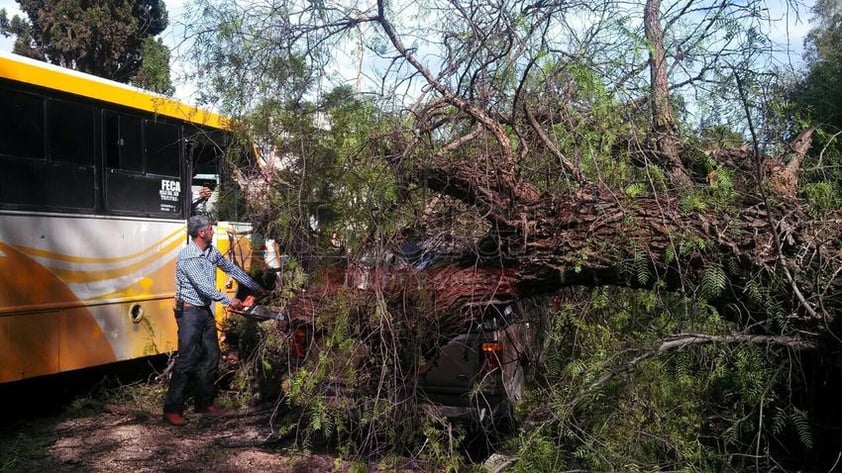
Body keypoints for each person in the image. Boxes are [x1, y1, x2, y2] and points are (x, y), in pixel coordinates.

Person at [163, 215, 265, 426]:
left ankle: (204, 403)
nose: (212, 231)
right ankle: (172, 409)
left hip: (203, 311)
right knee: (187, 358)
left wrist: (255, 287)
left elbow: (231, 269)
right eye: (210, 229)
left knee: (211, 354)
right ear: (201, 233)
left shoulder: (210, 252)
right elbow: (205, 288)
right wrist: (231, 300)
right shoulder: (188, 257)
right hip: (189, 313)